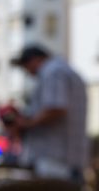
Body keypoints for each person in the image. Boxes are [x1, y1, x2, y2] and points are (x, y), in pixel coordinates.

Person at [10, 44, 88, 180]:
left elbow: (56, 108)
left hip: (54, 161)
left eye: (26, 66)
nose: (28, 72)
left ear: (35, 60)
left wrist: (26, 124)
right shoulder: (66, 71)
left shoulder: (52, 71)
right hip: (66, 159)